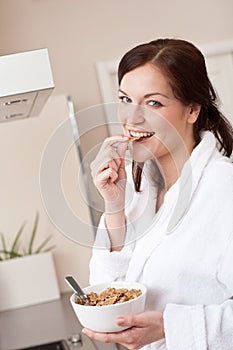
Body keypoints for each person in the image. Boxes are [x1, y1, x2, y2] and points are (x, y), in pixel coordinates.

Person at [82, 38, 233, 350]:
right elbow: (109, 289)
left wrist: (169, 326)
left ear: (192, 109)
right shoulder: (140, 190)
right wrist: (114, 206)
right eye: (125, 99)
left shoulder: (224, 189)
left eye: (153, 103)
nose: (132, 118)